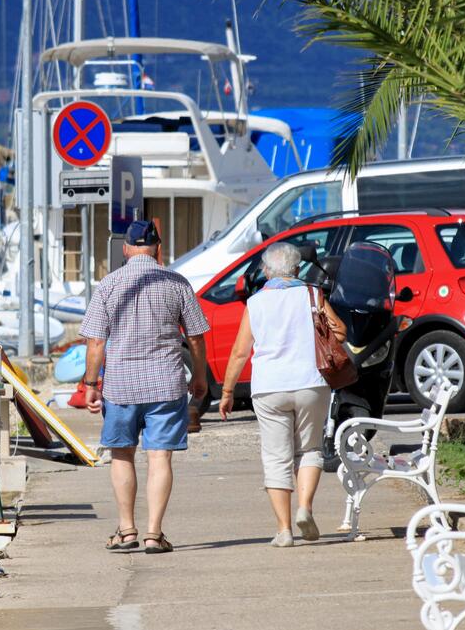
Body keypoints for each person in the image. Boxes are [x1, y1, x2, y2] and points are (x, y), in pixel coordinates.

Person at [80, 220, 210, 554]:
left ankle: (126, 531)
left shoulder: (108, 285)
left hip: (121, 386)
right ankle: (154, 533)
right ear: (157, 248)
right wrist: (199, 377)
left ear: (125, 249)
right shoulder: (177, 283)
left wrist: (91, 383)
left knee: (121, 455)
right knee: (159, 457)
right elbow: (195, 335)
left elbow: (96, 342)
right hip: (166, 384)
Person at [218, 242, 346, 547]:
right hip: (311, 382)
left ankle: (285, 530)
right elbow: (339, 331)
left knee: (276, 458)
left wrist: (227, 392)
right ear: (297, 269)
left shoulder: (256, 303)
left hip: (269, 387)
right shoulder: (313, 295)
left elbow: (239, 353)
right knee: (310, 449)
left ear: (266, 271)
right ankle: (305, 508)